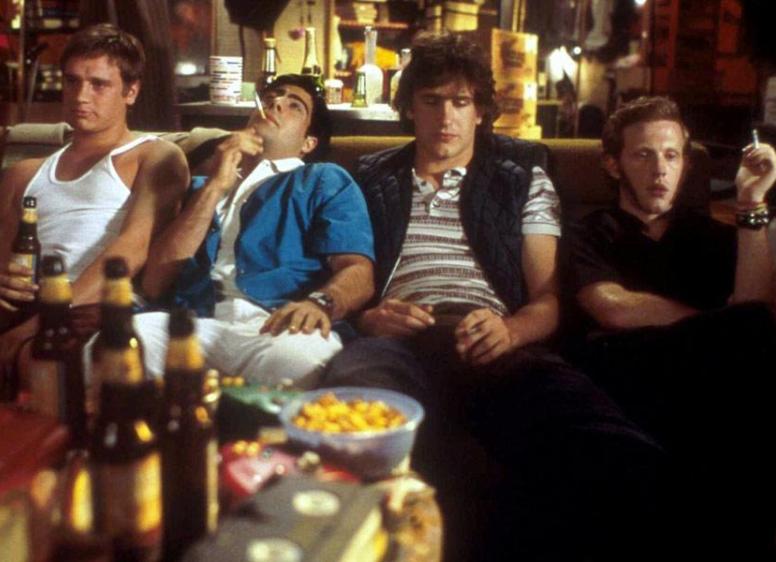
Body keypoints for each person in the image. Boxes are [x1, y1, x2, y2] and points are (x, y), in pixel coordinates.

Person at [322, 32, 666, 562]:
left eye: (460, 102)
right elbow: (351, 274)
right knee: (352, 424)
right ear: (409, 107)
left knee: (609, 442)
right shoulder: (369, 177)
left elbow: (548, 300)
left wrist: (510, 330)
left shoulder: (521, 177)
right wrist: (368, 319)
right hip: (395, 340)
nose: (446, 117)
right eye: (431, 100)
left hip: (493, 336)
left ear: (481, 110)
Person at [564, 95, 776, 559]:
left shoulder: (706, 234)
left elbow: (756, 307)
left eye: (671, 155)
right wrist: (721, 323)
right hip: (620, 373)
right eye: (643, 155)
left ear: (685, 164)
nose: (659, 170)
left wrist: (750, 200)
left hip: (705, 387)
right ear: (613, 164)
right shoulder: (587, 230)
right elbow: (614, 308)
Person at [118, 74, 374, 387]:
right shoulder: (201, 187)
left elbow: (358, 271)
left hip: (277, 326)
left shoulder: (321, 179)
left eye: (295, 106)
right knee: (115, 348)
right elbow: (155, 282)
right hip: (195, 323)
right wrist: (215, 185)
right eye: (270, 98)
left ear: (308, 143)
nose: (275, 103)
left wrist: (320, 302)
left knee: (298, 362)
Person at [0, 24, 188, 378]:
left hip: (94, 303)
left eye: (99, 84)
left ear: (131, 91)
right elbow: (6, 262)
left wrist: (38, 324)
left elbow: (132, 250)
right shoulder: (23, 173)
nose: (81, 96)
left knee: (42, 358)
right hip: (27, 304)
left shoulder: (155, 156)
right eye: (72, 81)